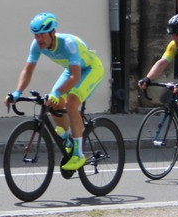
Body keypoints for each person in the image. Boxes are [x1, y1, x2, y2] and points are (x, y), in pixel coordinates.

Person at [6, 12, 105, 172]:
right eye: (36, 35)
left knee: (71, 103)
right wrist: (17, 92)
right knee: (52, 101)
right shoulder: (36, 45)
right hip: (72, 70)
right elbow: (28, 70)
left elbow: (76, 76)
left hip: (90, 69)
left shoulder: (69, 44)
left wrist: (58, 93)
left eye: (42, 35)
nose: (39, 39)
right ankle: (67, 141)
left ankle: (78, 154)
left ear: (53, 33)